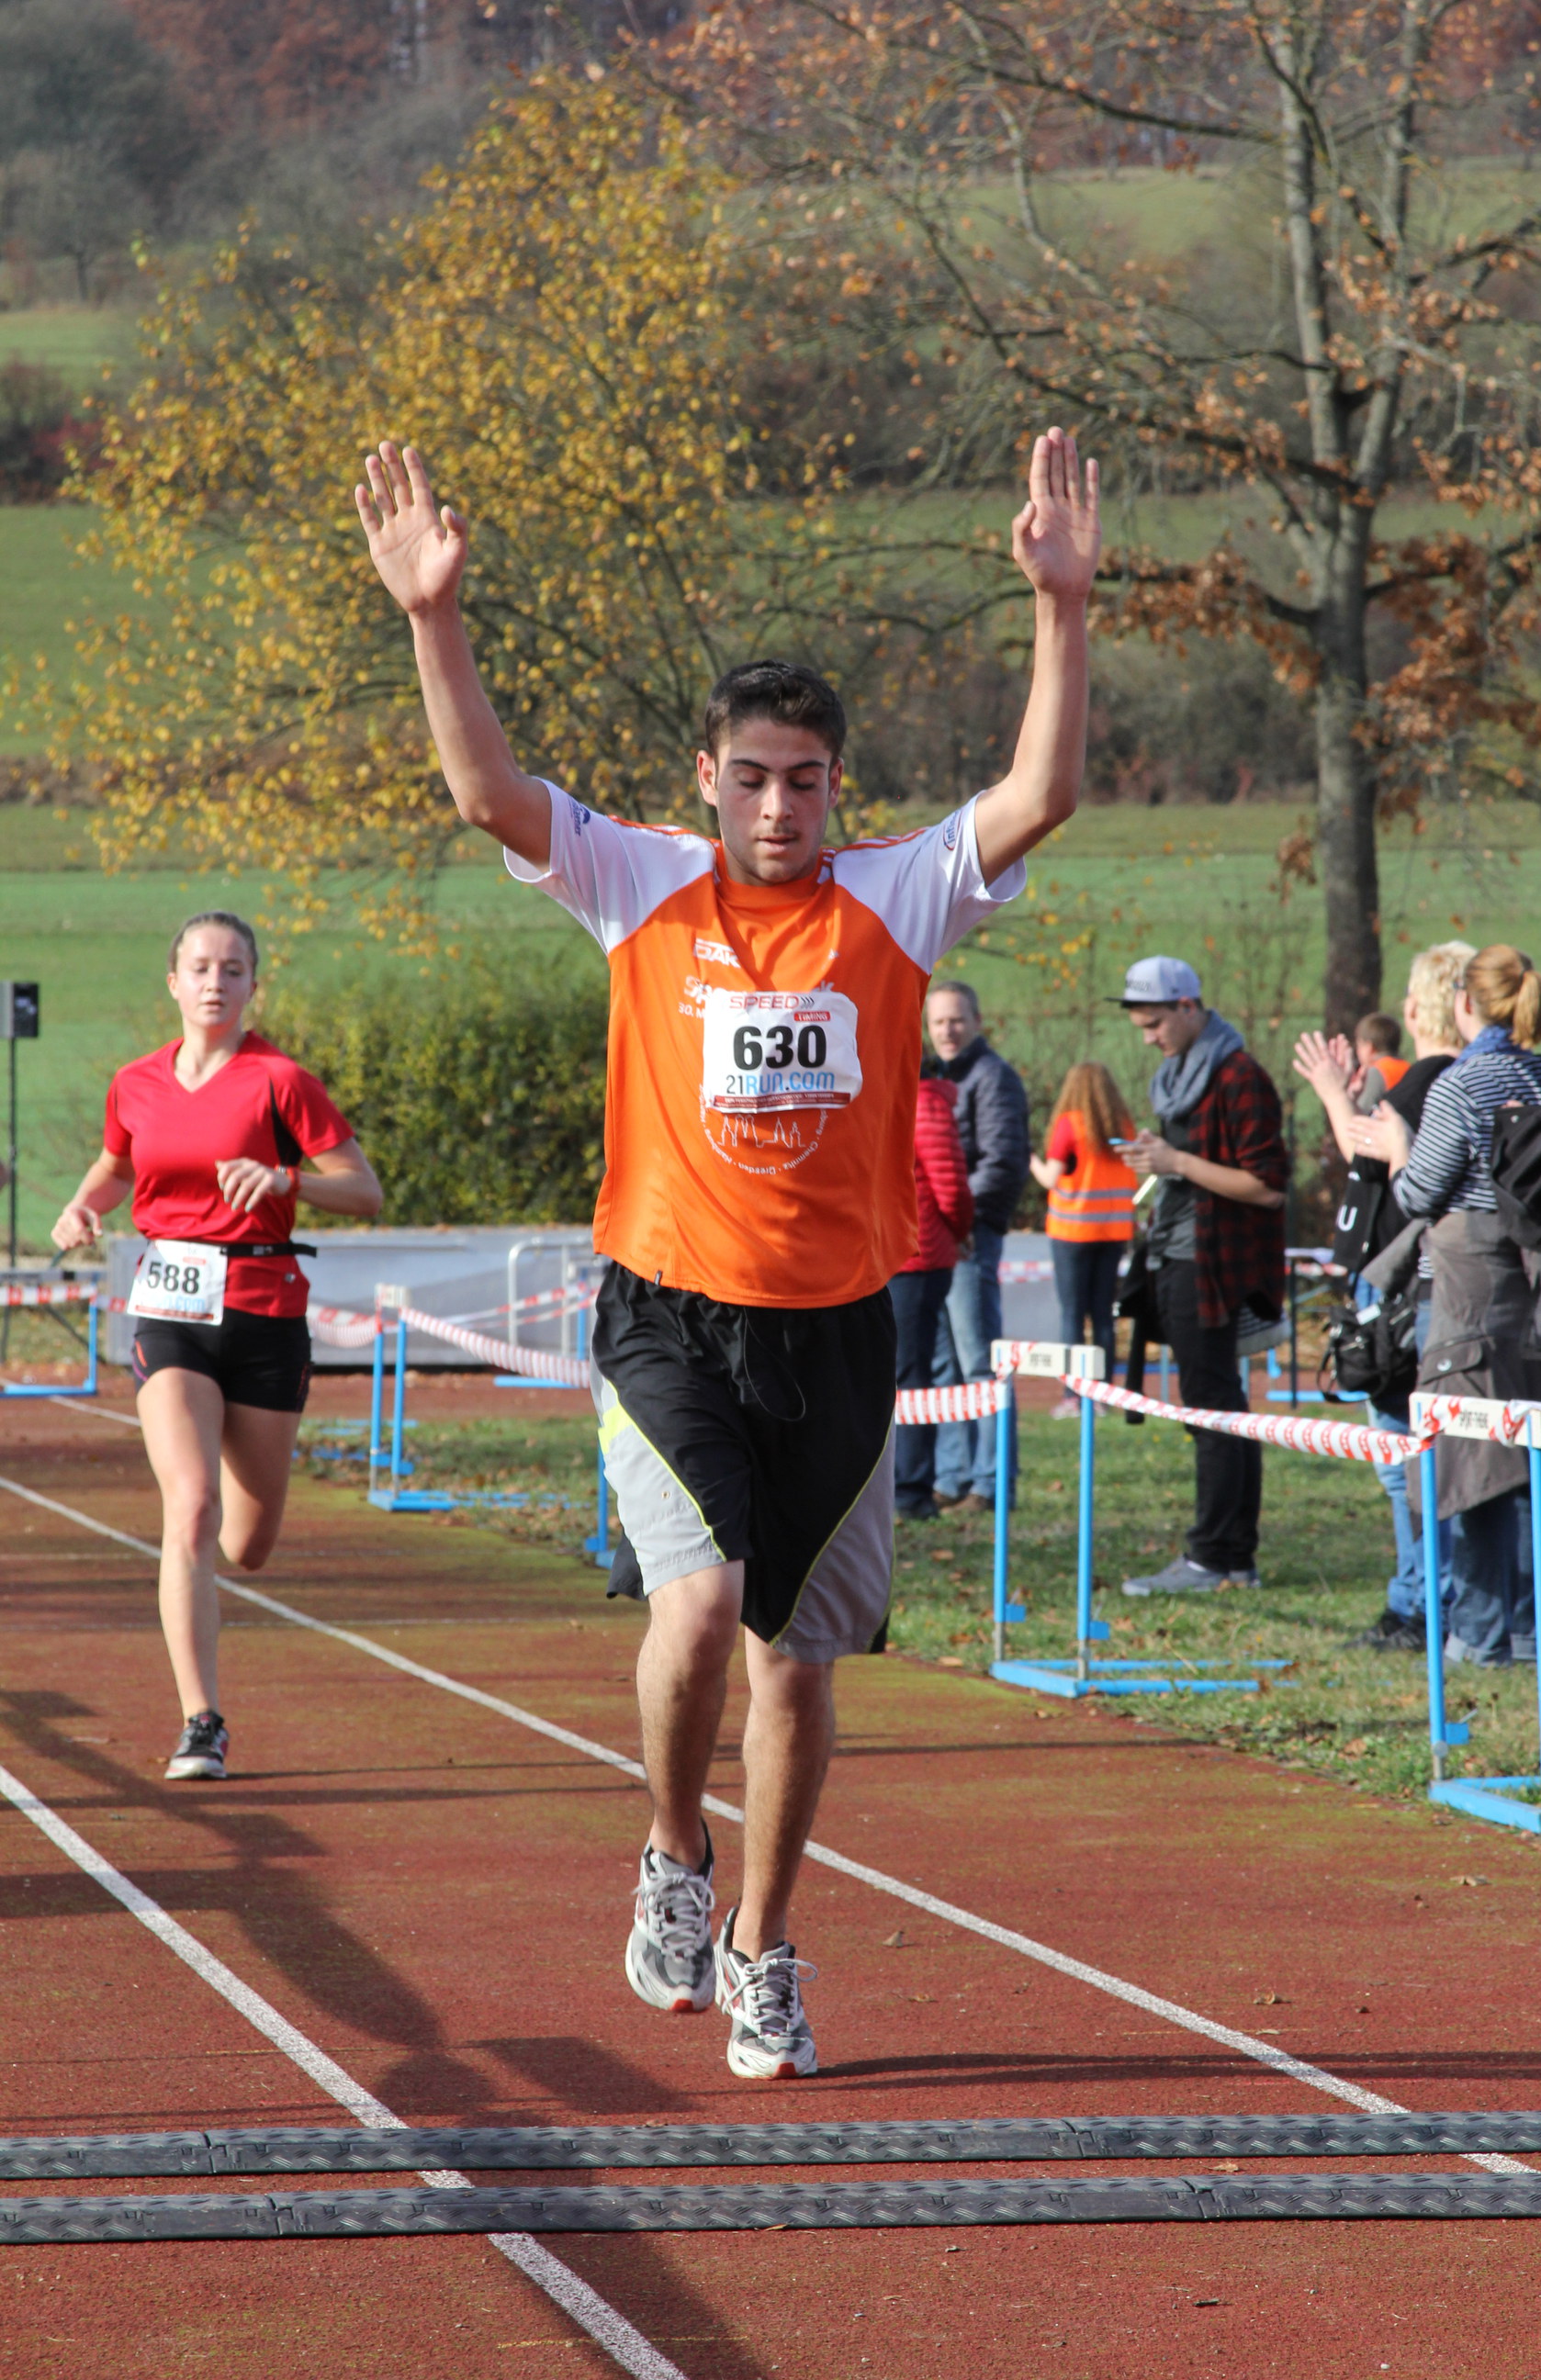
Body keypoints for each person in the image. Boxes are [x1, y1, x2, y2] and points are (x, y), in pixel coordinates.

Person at [354, 427, 1101, 2078]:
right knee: (694, 1613)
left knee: (797, 1664)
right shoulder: (639, 881)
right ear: (706, 779)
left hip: (835, 1331)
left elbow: (1039, 795)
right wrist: (433, 615)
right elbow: (486, 793)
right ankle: (673, 1850)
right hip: (669, 1315)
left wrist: (1061, 605)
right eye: (751, 777)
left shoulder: (896, 899)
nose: (776, 805)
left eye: (804, 780)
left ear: (840, 790)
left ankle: (764, 1941)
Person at [50, 913, 383, 1779]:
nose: (214, 982)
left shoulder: (282, 1082)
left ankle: (227, 1565)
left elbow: (365, 1191)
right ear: (173, 982)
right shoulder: (135, 1083)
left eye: (233, 969)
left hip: (265, 1314)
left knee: (248, 1544)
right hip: (171, 1312)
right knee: (192, 1506)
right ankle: (202, 1721)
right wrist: (83, 1206)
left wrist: (284, 1179)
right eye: (200, 967)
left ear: (251, 987)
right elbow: (116, 1166)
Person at [1362, 944, 1541, 1667]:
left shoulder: (1461, 1084)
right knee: (1529, 1457)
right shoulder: (1540, 1072)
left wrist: (1398, 1144)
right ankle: (1534, 1630)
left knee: (1476, 1463)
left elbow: (1418, 1192)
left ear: (1465, 1003)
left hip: (1467, 1286)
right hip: (1532, 1279)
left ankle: (1479, 1635)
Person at [1293, 942, 1470, 1651]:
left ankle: (1421, 1605)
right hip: (1418, 1286)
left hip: (1406, 1291)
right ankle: (1419, 1599)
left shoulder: (1433, 1078)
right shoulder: (1452, 1079)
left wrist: (1333, 1093)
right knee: (1410, 1461)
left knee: (1406, 1463)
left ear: (1418, 1008)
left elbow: (1369, 1153)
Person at [1110, 957, 1288, 1597]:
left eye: (1155, 1024)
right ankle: (1232, 1557)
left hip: (1213, 1265)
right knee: (1219, 1406)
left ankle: (1212, 1556)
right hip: (1176, 1256)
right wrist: (1158, 1163)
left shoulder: (1239, 1076)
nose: (1148, 1039)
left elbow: (1267, 1186)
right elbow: (1189, 1164)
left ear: (1188, 1006)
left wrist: (1175, 1161)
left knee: (1214, 1408)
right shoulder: (1181, 1075)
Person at [923, 982, 1029, 1514]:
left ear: (978, 1021)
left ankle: (990, 1482)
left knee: (980, 1362)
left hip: (971, 1235)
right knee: (944, 1366)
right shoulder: (932, 1078)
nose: (948, 1030)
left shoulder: (993, 1077)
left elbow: (1003, 1161)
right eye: (938, 1021)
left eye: (957, 1019)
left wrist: (958, 1217)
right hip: (937, 1240)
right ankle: (952, 1477)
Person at [891, 1066, 974, 1521]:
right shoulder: (902, 1095)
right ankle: (904, 1486)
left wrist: (959, 1231)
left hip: (918, 1256)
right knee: (906, 1371)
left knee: (912, 1373)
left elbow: (951, 1187)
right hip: (896, 1254)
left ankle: (911, 1490)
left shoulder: (926, 1101)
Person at [1029, 1060, 1136, 1413]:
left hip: (1072, 1232)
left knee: (1072, 1315)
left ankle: (1072, 1396)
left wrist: (1029, 1159)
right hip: (1113, 1231)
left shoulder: (1069, 1125)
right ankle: (1103, 1394)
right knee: (1103, 1316)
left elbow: (1050, 1178)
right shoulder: (1123, 1126)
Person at [1352, 1012, 1410, 1108]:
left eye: (1359, 1045)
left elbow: (1362, 1109)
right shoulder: (1408, 1068)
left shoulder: (1376, 1072)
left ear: (1369, 1047)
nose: (1357, 1051)